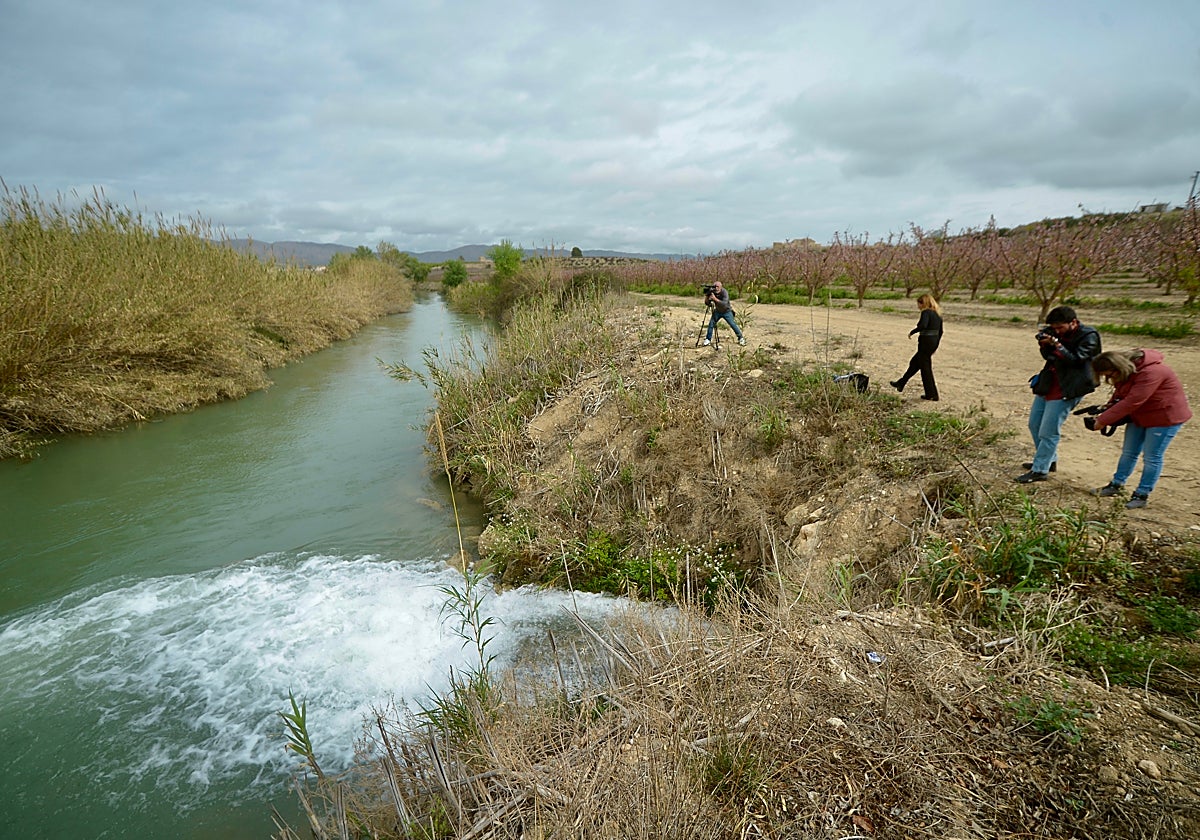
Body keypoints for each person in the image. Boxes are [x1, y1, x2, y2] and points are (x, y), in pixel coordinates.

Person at [1087, 349, 1192, 510]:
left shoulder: (1152, 372)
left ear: (1119, 368)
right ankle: (1116, 484)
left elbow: (1133, 400)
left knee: (1152, 457)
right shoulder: (1127, 371)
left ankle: (1142, 494)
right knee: (1129, 452)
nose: (1109, 379)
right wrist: (1106, 408)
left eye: (1109, 375)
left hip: (1165, 418)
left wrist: (1102, 421)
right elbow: (1121, 394)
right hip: (1140, 416)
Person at [1015, 305, 1101, 483]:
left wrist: (1057, 345)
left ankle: (1040, 470)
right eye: (1054, 328)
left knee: (1049, 430)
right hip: (1050, 382)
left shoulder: (1089, 336)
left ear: (1074, 322)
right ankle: (1048, 460)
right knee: (1034, 424)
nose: (1056, 331)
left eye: (1060, 327)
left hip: (1070, 386)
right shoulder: (1054, 332)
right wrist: (1044, 343)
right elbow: (1048, 357)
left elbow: (1077, 359)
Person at [889, 294, 943, 401]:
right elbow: (941, 331)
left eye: (919, 304)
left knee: (925, 369)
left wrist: (912, 332)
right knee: (915, 363)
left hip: (925, 343)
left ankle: (932, 394)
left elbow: (923, 325)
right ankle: (901, 383)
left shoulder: (926, 312)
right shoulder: (937, 314)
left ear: (923, 303)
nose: (918, 306)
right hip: (932, 343)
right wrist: (935, 343)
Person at [702, 281, 746, 346]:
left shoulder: (724, 292)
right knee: (711, 324)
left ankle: (741, 338)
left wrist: (715, 299)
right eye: (715, 287)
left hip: (727, 311)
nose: (716, 288)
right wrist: (707, 296)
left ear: (721, 287)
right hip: (717, 311)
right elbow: (707, 303)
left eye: (717, 287)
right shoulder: (713, 292)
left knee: (732, 324)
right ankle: (708, 339)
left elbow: (724, 303)